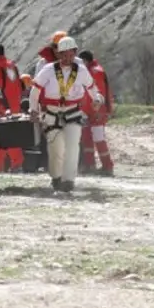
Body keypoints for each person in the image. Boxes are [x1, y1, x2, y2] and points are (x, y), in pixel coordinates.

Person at [28, 37, 103, 192]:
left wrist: (97, 99)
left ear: (74, 54)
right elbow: (35, 90)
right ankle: (56, 177)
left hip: (73, 112)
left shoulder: (81, 70)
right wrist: (33, 108)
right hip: (52, 112)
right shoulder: (48, 69)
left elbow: (92, 89)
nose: (67, 59)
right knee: (55, 148)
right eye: (64, 55)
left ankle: (68, 181)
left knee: (72, 146)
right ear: (58, 54)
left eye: (70, 55)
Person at [0, 44, 24, 173]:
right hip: (15, 107)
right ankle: (17, 164)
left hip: (1, 108)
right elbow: (19, 86)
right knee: (13, 136)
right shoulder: (12, 66)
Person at [77, 50, 115, 176]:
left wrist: (99, 110)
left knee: (98, 138)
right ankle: (90, 165)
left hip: (97, 110)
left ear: (85, 60)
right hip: (88, 110)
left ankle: (107, 166)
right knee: (86, 138)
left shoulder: (95, 72)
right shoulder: (91, 71)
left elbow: (99, 93)